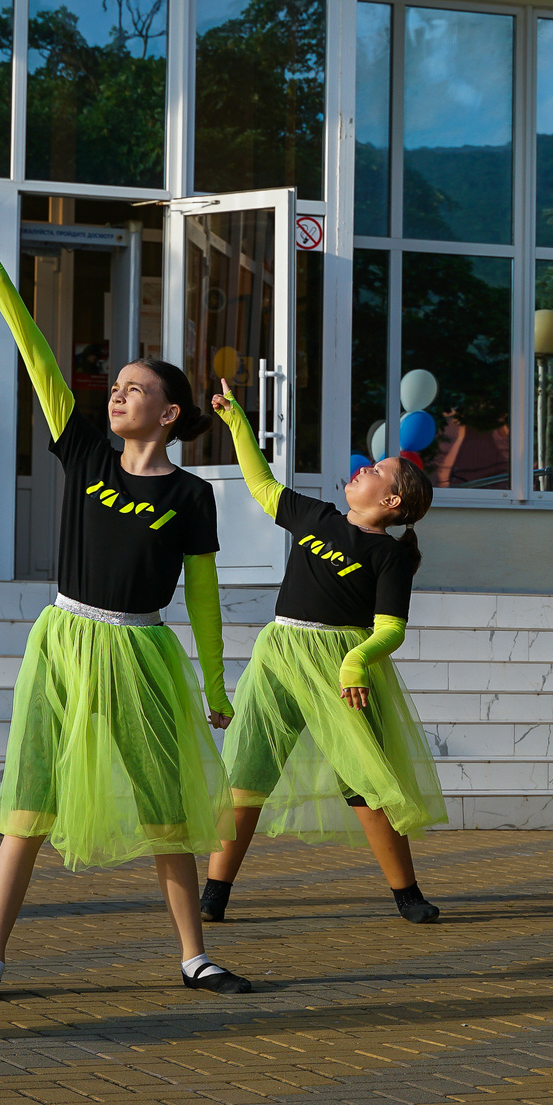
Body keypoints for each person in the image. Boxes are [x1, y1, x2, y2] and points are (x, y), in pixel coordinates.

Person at [0, 236, 244, 1000]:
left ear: (170, 411)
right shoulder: (83, 452)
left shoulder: (191, 496)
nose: (117, 394)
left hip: (142, 648)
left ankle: (194, 955)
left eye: (135, 388)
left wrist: (216, 685)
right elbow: (41, 366)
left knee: (168, 810)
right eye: (115, 386)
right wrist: (0, 284)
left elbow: (206, 599)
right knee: (29, 802)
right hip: (64, 641)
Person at [199, 387, 445, 925]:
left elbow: (391, 630)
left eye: (376, 471)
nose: (361, 470)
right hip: (280, 655)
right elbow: (262, 486)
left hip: (340, 667)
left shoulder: (389, 556)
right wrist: (240, 423)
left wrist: (356, 661)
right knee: (245, 772)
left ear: (392, 502)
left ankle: (407, 895)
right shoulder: (317, 516)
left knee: (366, 783)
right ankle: (214, 894)